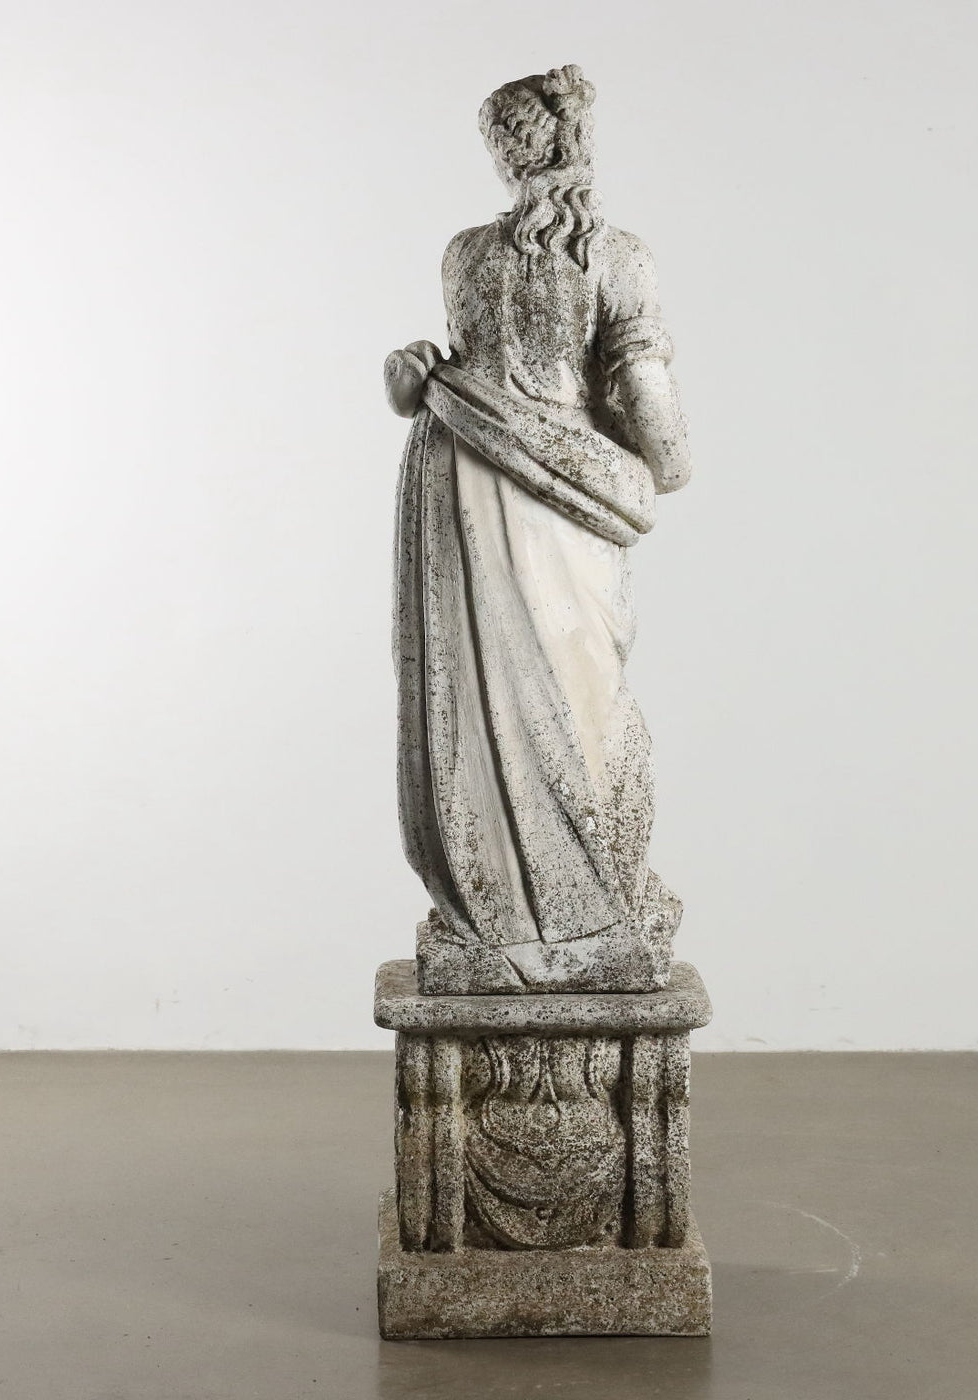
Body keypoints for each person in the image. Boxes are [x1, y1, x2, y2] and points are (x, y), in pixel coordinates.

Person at [385, 65, 693, 994]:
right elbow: (651, 412)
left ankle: (516, 913)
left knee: (501, 696)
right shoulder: (617, 255)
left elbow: (450, 370)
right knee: (577, 693)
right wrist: (665, 464)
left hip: (467, 471)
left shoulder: (466, 255)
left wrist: (417, 379)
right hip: (544, 494)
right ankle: (572, 916)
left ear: (511, 153)